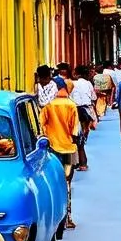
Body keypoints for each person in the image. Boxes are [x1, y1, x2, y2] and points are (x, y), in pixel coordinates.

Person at [40, 76, 80, 229]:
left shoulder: (49, 105)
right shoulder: (71, 105)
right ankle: (68, 217)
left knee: (54, 183)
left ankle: (56, 218)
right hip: (68, 149)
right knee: (67, 183)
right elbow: (75, 131)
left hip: (52, 150)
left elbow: (41, 126)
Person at [70, 65, 98, 170]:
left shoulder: (73, 83)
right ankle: (82, 161)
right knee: (82, 136)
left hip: (76, 110)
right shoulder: (88, 83)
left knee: (77, 136)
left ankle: (80, 162)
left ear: (76, 73)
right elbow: (94, 97)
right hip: (87, 110)